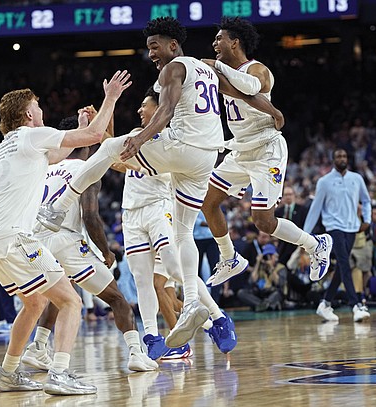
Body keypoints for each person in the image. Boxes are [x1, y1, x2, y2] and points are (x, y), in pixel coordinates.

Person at [37, 17, 279, 349]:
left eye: (154, 46)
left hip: (180, 150)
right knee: (177, 241)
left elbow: (164, 112)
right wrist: (274, 112)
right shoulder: (207, 69)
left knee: (110, 147)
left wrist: (139, 140)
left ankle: (60, 206)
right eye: (148, 47)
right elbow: (243, 92)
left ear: (173, 45)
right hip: (205, 157)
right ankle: (188, 306)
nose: (150, 53)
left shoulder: (173, 70)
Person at [0, 71, 131, 395]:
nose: (42, 110)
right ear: (29, 114)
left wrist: (77, 125)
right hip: (15, 237)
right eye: (38, 106)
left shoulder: (11, 145)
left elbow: (62, 151)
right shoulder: (30, 135)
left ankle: (6, 373)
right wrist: (112, 97)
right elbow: (95, 136)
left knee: (34, 304)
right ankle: (59, 373)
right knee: (71, 301)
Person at [199, 17, 332, 289]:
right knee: (208, 202)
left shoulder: (258, 69)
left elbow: (249, 89)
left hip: (266, 148)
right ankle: (229, 257)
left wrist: (217, 68)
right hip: (240, 148)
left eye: (219, 38)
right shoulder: (221, 72)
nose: (214, 44)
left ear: (234, 42)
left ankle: (315, 244)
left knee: (262, 221)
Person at [22, 112, 158, 373]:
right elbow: (91, 215)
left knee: (60, 291)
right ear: (84, 141)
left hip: (36, 240)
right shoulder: (86, 168)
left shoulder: (47, 168)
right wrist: (105, 251)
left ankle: (38, 347)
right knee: (116, 298)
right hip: (65, 238)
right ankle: (135, 353)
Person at [119, 88, 236, 359]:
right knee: (142, 279)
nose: (139, 110)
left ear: (159, 109)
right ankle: (151, 337)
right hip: (131, 212)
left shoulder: (170, 138)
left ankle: (218, 319)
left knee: (174, 269)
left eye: (144, 105)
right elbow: (117, 158)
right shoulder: (137, 135)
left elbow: (129, 162)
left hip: (159, 208)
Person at [304, 148, 372, 323]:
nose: (342, 158)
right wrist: (304, 235)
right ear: (333, 159)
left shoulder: (357, 179)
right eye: (338, 156)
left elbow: (366, 200)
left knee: (343, 267)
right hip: (333, 227)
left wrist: (368, 219)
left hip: (352, 227)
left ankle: (325, 303)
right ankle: (356, 305)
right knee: (344, 262)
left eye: (344, 155)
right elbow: (315, 208)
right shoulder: (324, 182)